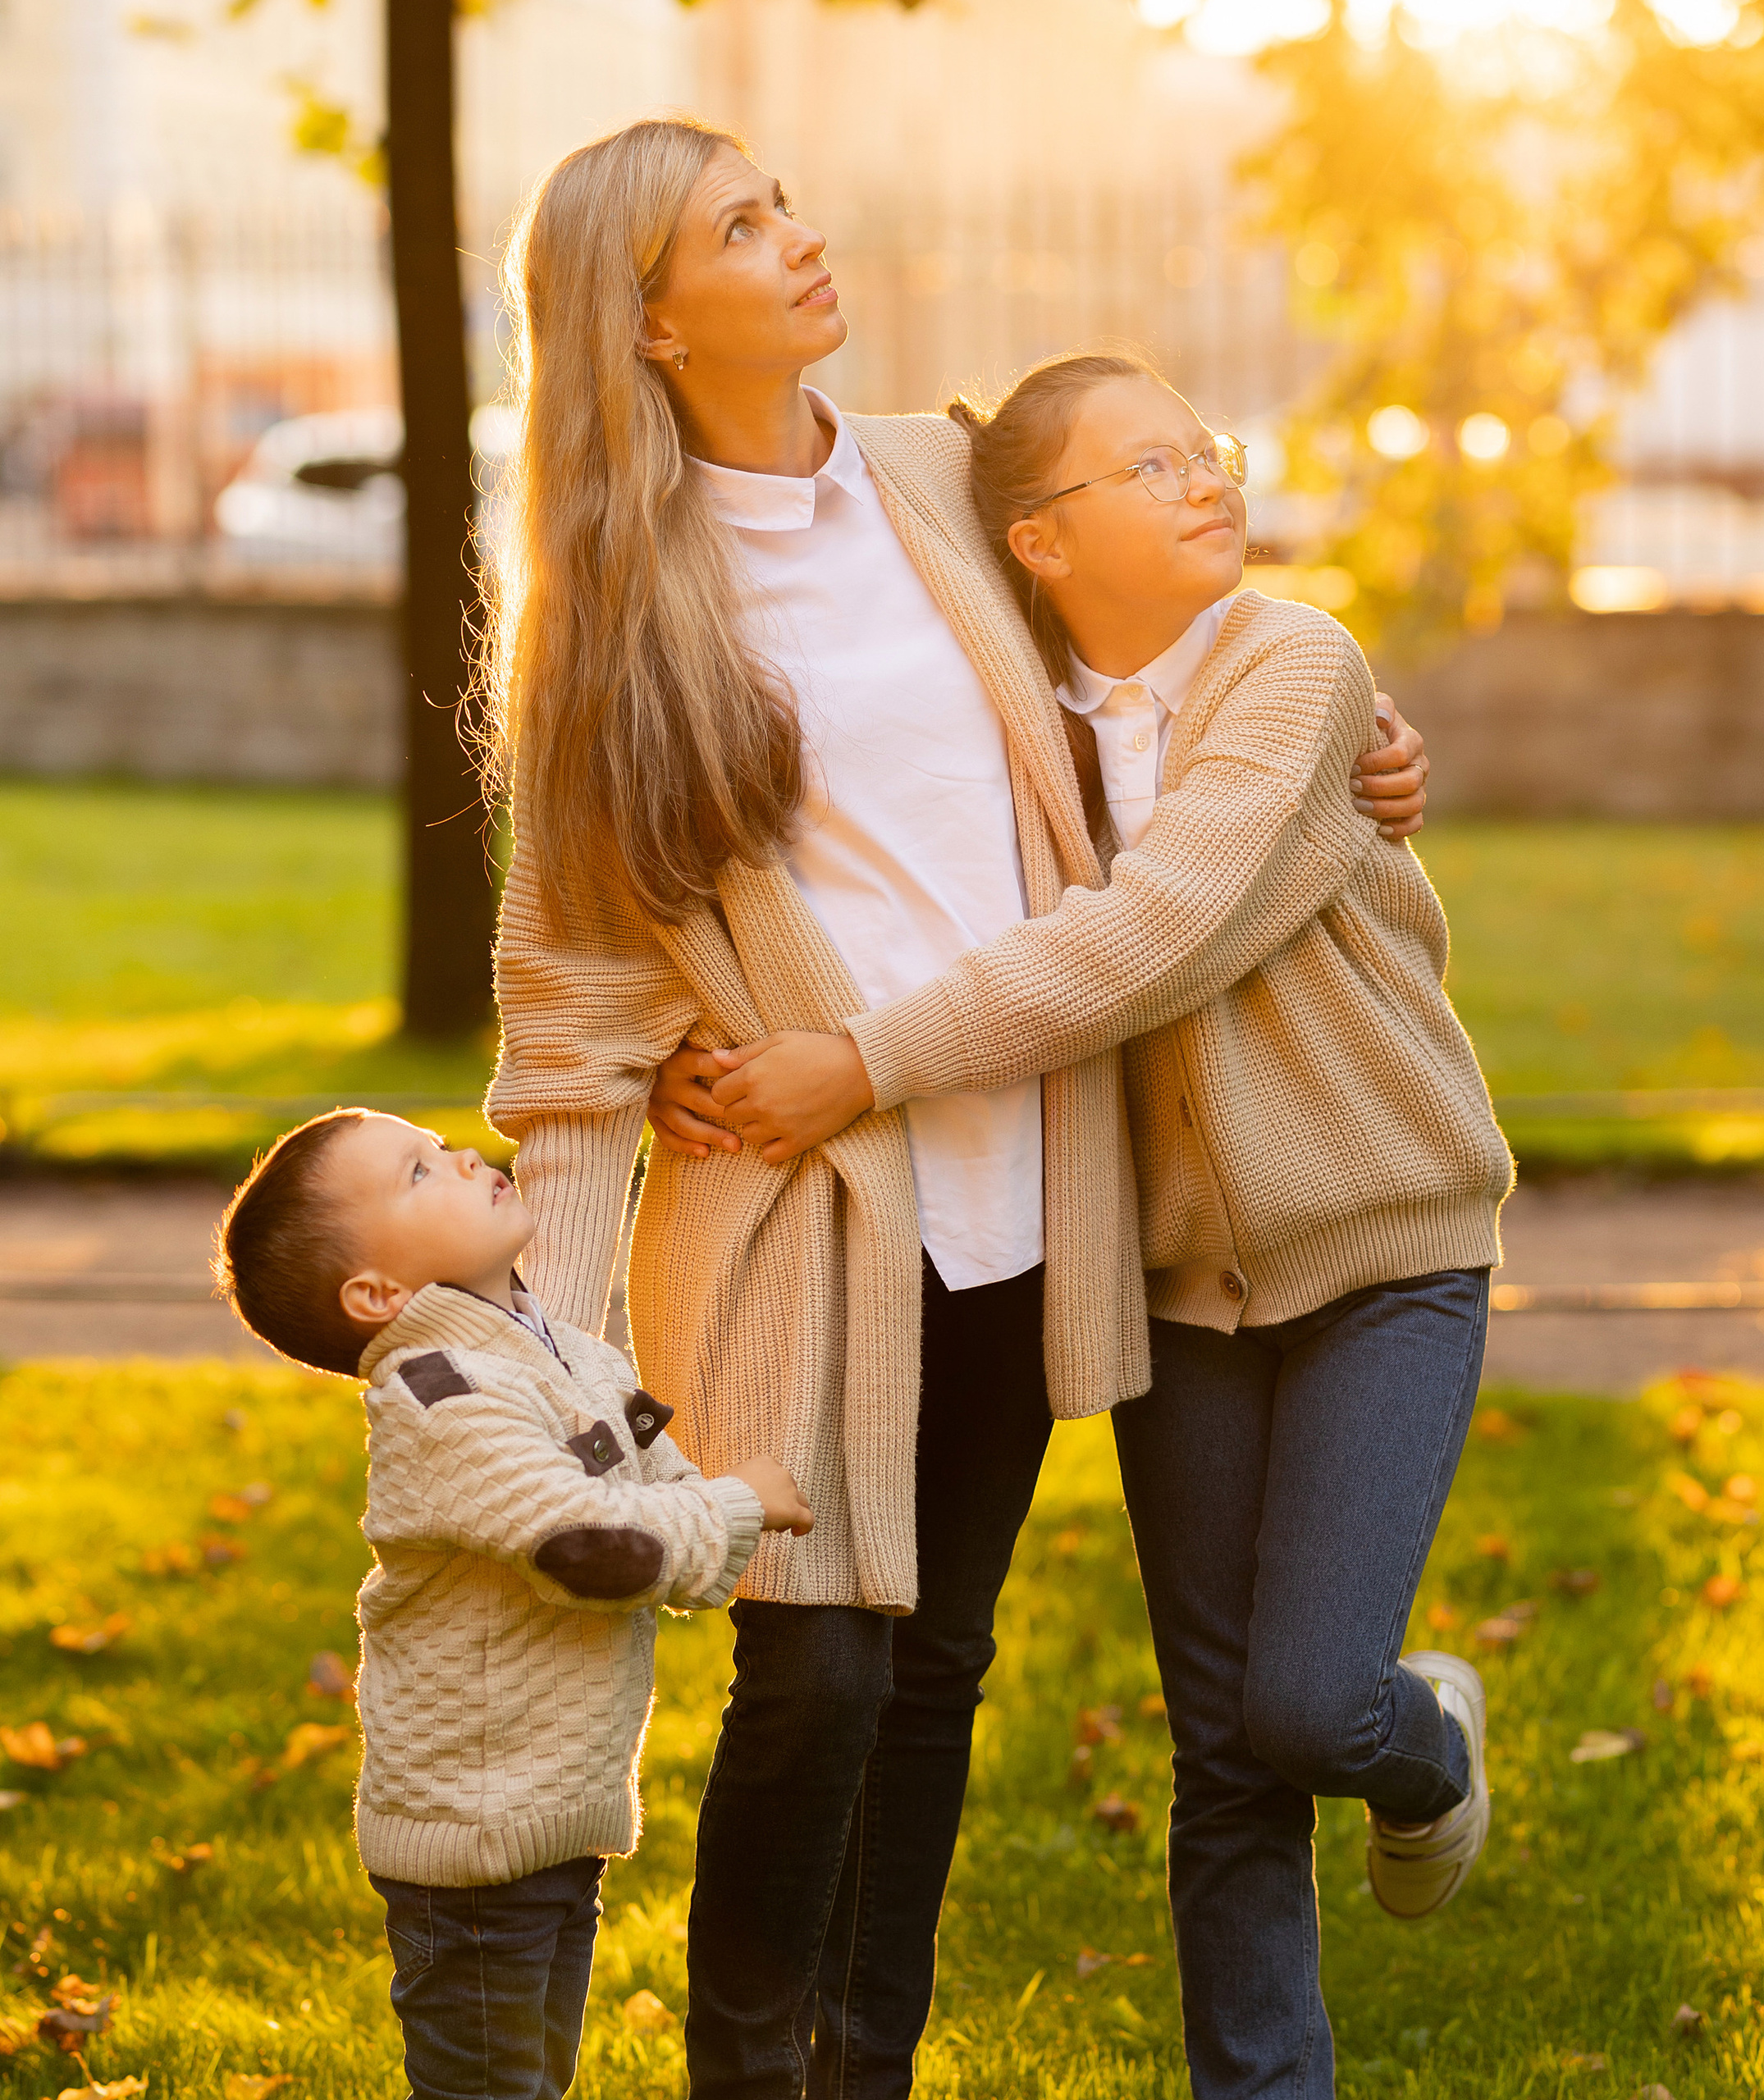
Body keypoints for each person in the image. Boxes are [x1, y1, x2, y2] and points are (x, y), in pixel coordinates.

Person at [481, 115, 1433, 2100]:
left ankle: (866, 2062)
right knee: (814, 1659)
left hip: (1023, 1182)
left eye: (780, 200)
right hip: (792, 1206)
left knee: (931, 1670)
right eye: (738, 230)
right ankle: (744, 2066)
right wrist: (554, 1376)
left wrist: (1358, 746)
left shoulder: (929, 474)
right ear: (647, 326)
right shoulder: (616, 613)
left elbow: (1149, 658)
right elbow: (570, 1043)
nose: (799, 237)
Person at [657, 352, 1515, 2100]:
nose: (1205, 474)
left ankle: (1419, 1743)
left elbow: (1150, 931)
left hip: (1382, 1252)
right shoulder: (1018, 716)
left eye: (1203, 443)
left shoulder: (1292, 661)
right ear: (1040, 543)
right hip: (1168, 1288)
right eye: (1147, 463)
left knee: (1306, 1705)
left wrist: (859, 1065)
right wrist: (688, 1029)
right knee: (1223, 1758)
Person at [212, 1108, 811, 2100]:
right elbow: (592, 1548)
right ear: (376, 1292)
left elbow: (668, 1524)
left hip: (551, 1814)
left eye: (438, 1147)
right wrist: (737, 1502)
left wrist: (712, 1518)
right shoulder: (442, 1397)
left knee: (536, 2075)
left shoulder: (568, 1356)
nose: (459, 1155)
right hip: (476, 1839)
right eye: (417, 1172)